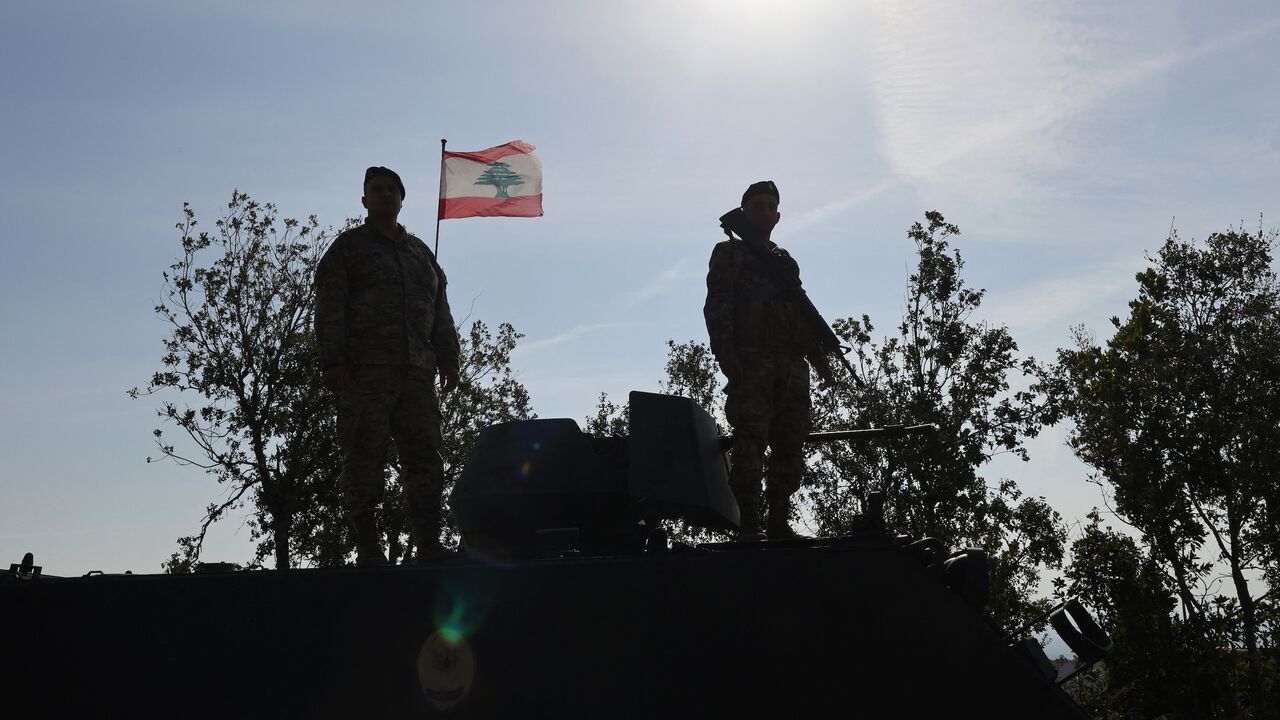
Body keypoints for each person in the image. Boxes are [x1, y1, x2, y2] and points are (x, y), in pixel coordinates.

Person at [315, 166, 461, 566]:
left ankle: (428, 544)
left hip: (417, 374)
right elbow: (329, 308)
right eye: (376, 190)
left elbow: (440, 311)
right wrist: (333, 360)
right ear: (365, 200)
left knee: (425, 458)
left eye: (391, 189)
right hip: (365, 373)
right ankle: (368, 547)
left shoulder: (420, 254)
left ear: (401, 198)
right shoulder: (348, 249)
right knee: (365, 457)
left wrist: (449, 359)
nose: (384, 195)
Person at [704, 180, 834, 541]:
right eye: (756, 206)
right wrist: (726, 354)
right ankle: (748, 525)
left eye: (770, 207)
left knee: (790, 444)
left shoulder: (784, 261)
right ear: (744, 212)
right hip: (752, 360)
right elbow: (718, 305)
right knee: (750, 443)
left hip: (791, 365)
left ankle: (778, 522)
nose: (764, 212)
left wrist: (819, 358)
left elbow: (799, 315)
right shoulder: (729, 253)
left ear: (778, 216)